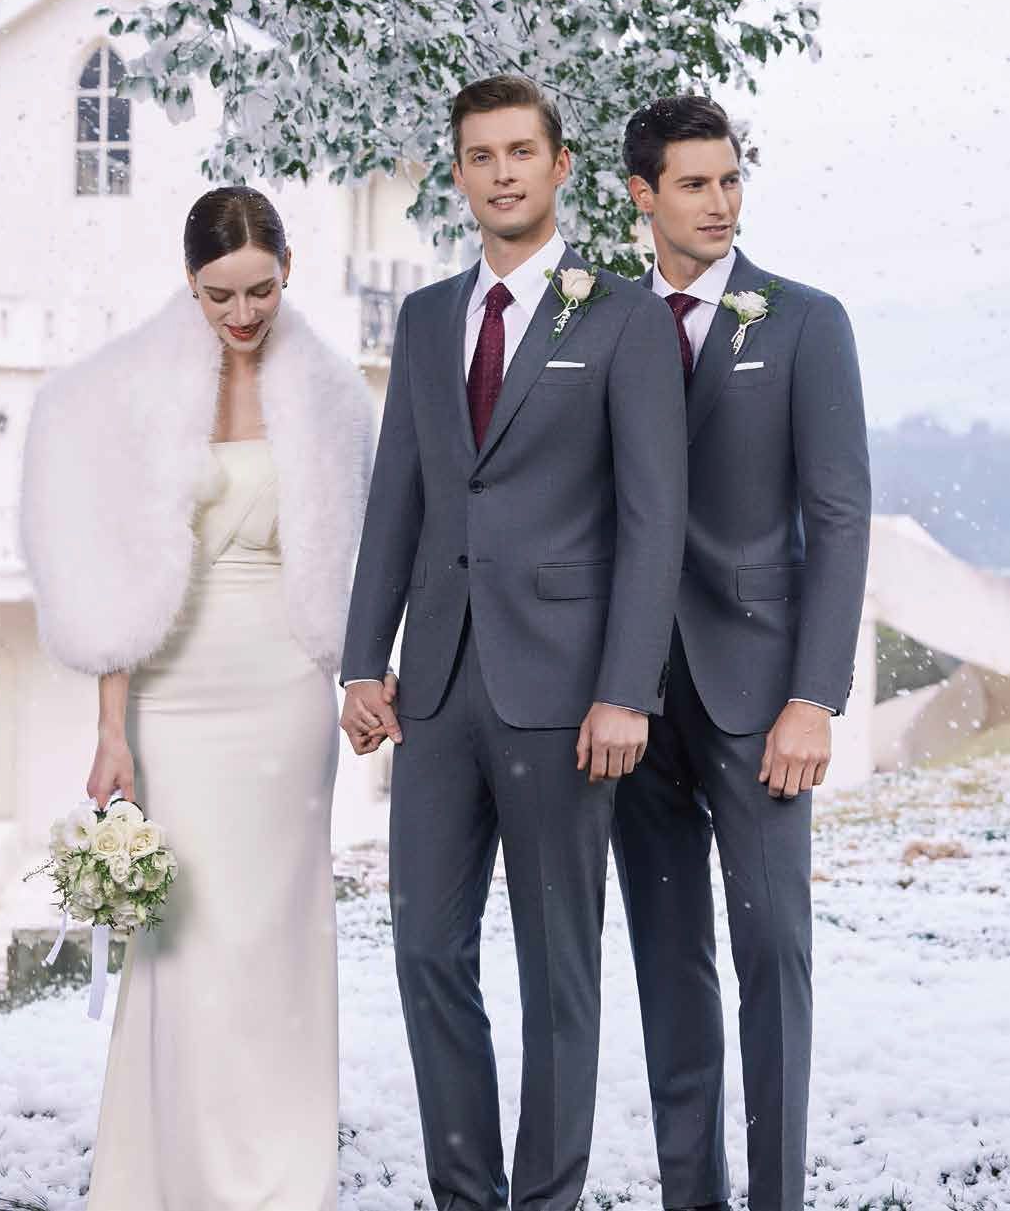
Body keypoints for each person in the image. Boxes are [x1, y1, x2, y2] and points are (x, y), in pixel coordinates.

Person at [339, 74, 688, 1211]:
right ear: (458, 174)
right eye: (479, 155)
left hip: (567, 694)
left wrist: (626, 687)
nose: (500, 172)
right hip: (435, 689)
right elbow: (399, 493)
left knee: (556, 974)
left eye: (520, 152)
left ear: (560, 166)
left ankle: (545, 1200)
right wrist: (360, 655)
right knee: (426, 953)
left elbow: (650, 519)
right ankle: (464, 1197)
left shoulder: (625, 315)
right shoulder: (430, 316)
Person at [20, 186, 372, 1211]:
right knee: (185, 937)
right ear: (190, 282)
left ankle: (280, 1180)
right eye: (220, 293)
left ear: (289, 270)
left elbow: (357, 557)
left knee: (275, 933)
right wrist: (109, 725)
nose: (244, 312)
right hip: (172, 688)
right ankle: (165, 1175)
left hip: (284, 689)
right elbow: (111, 566)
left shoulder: (334, 396)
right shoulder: (129, 391)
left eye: (260, 288)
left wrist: (358, 675)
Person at [612, 97, 871, 1211]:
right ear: (640, 195)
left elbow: (840, 515)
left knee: (772, 960)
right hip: (629, 699)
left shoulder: (804, 322)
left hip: (760, 698)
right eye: (693, 184)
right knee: (670, 969)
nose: (718, 203)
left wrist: (813, 695)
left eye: (728, 180)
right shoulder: (606, 325)